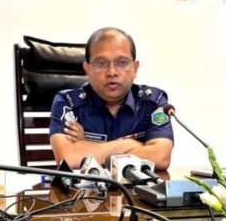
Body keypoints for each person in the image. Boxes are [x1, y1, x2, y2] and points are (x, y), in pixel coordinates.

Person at [49, 27, 173, 170]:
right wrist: (129, 144)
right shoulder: (68, 102)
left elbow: (160, 157)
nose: (112, 72)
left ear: (135, 68)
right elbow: (68, 158)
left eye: (122, 62)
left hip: (139, 185)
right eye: (101, 63)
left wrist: (87, 146)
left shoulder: (154, 102)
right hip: (89, 185)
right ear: (87, 69)